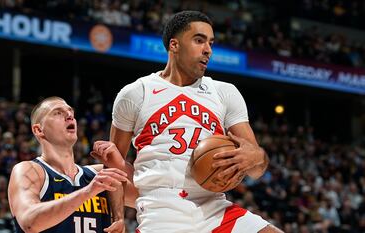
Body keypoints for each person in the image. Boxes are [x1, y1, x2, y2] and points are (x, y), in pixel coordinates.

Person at [92, 11, 283, 233]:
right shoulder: (136, 93)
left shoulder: (224, 92)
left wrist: (256, 156)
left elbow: (257, 169)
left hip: (214, 206)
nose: (208, 49)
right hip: (160, 210)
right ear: (174, 45)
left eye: (211, 43)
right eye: (199, 40)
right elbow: (115, 168)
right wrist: (117, 216)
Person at [8, 96, 128, 233]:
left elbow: (148, 194)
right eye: (58, 113)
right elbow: (29, 222)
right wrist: (88, 192)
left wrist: (119, 163)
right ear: (38, 130)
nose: (70, 116)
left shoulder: (99, 174)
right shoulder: (31, 170)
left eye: (71, 112)